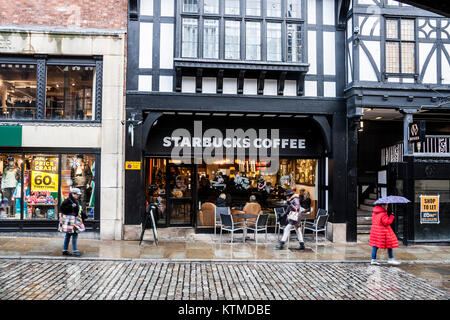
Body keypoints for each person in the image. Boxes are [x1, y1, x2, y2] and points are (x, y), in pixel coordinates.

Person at [58, 188, 86, 257]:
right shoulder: (68, 201)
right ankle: (75, 251)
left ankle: (65, 250)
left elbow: (78, 210)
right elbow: (62, 208)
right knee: (74, 235)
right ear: (73, 194)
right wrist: (71, 206)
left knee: (68, 235)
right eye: (77, 194)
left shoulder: (74, 200)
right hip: (71, 221)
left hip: (72, 220)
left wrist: (83, 216)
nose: (78, 196)